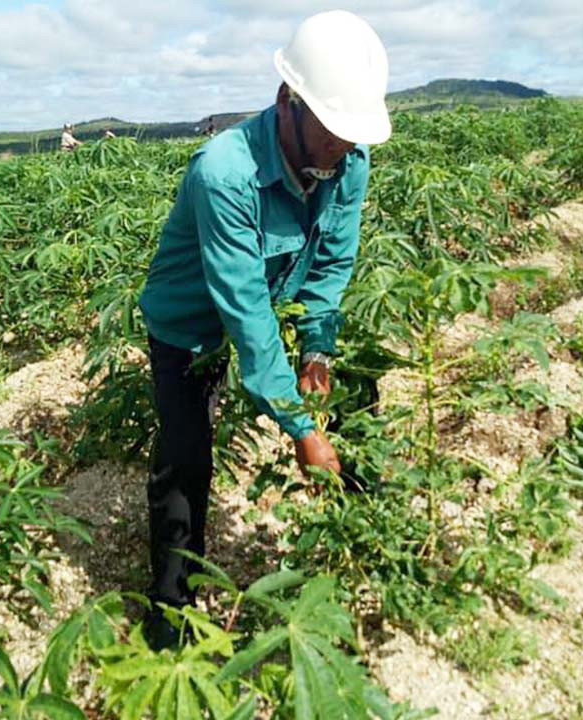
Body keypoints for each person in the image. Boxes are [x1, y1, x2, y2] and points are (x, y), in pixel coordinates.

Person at [137, 9, 391, 650]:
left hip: (269, 306)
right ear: (288, 100)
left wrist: (318, 346)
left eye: (350, 133)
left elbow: (332, 264)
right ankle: (170, 613)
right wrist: (299, 429)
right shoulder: (224, 173)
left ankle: (369, 536)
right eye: (331, 128)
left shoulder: (347, 163)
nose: (341, 146)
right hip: (187, 324)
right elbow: (245, 312)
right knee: (188, 456)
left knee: (361, 388)